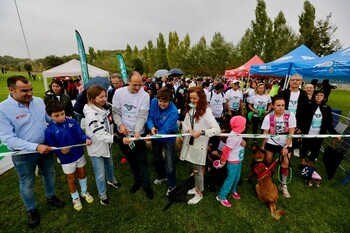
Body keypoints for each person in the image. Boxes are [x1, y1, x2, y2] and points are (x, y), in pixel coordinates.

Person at [0, 75, 65, 228]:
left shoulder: (37, 101)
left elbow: (46, 120)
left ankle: (51, 197)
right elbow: (8, 138)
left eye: (31, 90)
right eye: (24, 91)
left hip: (45, 147)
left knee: (49, 174)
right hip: (23, 154)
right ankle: (32, 209)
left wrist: (61, 120)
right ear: (11, 90)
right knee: (27, 182)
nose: (29, 94)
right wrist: (35, 147)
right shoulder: (3, 109)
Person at [112, 71, 154, 200]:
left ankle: (147, 185)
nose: (137, 88)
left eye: (140, 85)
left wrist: (137, 130)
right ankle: (137, 181)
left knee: (142, 161)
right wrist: (120, 125)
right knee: (131, 159)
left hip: (138, 134)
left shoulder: (145, 96)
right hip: (124, 135)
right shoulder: (118, 93)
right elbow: (116, 112)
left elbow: (142, 115)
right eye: (135, 85)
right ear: (128, 81)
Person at [84, 85, 129, 205]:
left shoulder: (104, 108)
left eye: (105, 96)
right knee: (100, 173)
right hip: (97, 147)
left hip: (107, 144)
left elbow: (108, 124)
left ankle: (111, 180)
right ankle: (102, 194)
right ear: (93, 98)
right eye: (101, 97)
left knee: (109, 165)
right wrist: (117, 139)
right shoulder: (90, 114)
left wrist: (113, 131)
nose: (105, 99)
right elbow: (99, 134)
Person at [45, 101, 93, 211]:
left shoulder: (72, 122)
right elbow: (52, 147)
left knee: (82, 173)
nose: (61, 117)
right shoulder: (49, 130)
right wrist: (60, 152)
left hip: (79, 154)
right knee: (71, 178)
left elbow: (80, 134)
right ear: (49, 116)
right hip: (66, 160)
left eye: (62, 113)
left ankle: (84, 192)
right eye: (57, 115)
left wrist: (85, 139)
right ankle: (75, 197)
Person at [180, 86, 220, 205]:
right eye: (190, 98)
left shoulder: (206, 112)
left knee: (198, 170)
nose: (192, 100)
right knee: (195, 168)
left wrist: (202, 132)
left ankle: (199, 193)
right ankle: (197, 188)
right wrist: (187, 129)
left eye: (195, 98)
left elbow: (216, 129)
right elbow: (186, 123)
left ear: (201, 98)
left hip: (200, 145)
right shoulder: (191, 110)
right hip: (190, 143)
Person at [261, 96, 296, 198]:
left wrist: (286, 147)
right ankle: (267, 182)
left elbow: (291, 132)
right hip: (272, 141)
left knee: (285, 164)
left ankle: (283, 184)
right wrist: (263, 145)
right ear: (273, 106)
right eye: (278, 105)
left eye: (283, 105)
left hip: (286, 143)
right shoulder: (268, 116)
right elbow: (265, 132)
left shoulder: (291, 115)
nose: (281, 107)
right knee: (268, 160)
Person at [146, 87, 179, 196]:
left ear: (170, 100)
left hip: (168, 138)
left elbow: (166, 130)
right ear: (157, 98)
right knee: (156, 158)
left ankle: (172, 185)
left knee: (169, 163)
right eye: (160, 101)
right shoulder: (154, 102)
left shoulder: (173, 112)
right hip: (156, 135)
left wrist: (153, 135)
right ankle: (162, 176)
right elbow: (150, 117)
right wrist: (151, 128)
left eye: (165, 102)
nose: (162, 104)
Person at [299, 90, 339, 167]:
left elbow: (329, 123)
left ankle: (311, 162)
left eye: (321, 95)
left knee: (316, 148)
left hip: (320, 133)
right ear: (314, 96)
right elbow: (302, 118)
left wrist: (334, 133)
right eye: (317, 95)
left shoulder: (327, 108)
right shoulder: (308, 105)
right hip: (308, 132)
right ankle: (302, 161)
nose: (319, 97)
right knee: (305, 146)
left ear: (324, 98)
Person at [216, 116, 247, 207]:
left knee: (237, 177)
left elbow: (240, 142)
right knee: (230, 178)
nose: (245, 127)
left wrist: (243, 143)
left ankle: (233, 190)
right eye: (243, 125)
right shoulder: (233, 137)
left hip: (239, 160)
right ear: (239, 126)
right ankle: (221, 196)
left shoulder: (239, 134)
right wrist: (223, 160)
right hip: (233, 162)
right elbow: (226, 150)